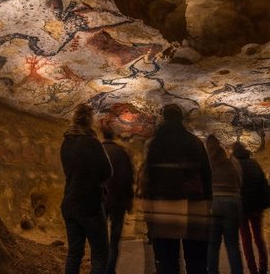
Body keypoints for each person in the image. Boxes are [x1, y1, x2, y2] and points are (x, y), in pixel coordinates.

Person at [143, 103, 212, 274]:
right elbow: (206, 176)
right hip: (193, 203)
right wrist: (208, 204)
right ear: (181, 118)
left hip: (165, 205)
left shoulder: (154, 144)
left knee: (167, 260)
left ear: (164, 118)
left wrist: (149, 214)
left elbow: (149, 180)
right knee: (197, 260)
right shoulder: (195, 142)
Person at [60, 103, 113, 274]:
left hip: (69, 202)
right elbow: (107, 171)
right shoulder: (93, 143)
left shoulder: (66, 143)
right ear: (90, 120)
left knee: (74, 253)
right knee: (100, 253)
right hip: (90, 204)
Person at [205, 135, 244, 274]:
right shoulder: (231, 162)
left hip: (214, 203)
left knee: (213, 244)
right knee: (232, 244)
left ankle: (212, 271)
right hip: (232, 202)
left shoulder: (207, 163)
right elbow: (240, 181)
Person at [231, 141, 270, 274]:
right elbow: (263, 183)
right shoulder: (254, 164)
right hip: (256, 207)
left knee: (246, 240)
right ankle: (263, 267)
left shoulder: (234, 166)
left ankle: (252, 269)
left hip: (242, 207)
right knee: (259, 237)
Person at [101, 125, 134, 274]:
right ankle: (110, 270)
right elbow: (127, 179)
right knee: (114, 240)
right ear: (114, 136)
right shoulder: (122, 153)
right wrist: (129, 201)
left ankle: (99, 269)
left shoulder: (98, 151)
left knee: (100, 240)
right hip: (118, 201)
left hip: (100, 200)